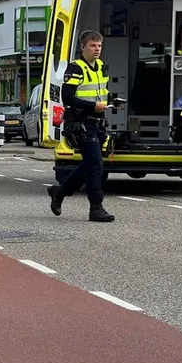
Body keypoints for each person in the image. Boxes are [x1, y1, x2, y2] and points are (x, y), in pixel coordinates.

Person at [47, 30, 117, 222]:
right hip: (80, 122)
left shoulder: (101, 65)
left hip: (97, 122)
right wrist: (93, 106)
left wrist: (112, 100)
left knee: (89, 163)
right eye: (93, 46)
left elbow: (100, 91)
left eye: (99, 46)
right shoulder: (75, 68)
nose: (97, 49)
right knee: (95, 164)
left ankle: (59, 193)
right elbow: (67, 97)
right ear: (83, 47)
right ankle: (96, 207)